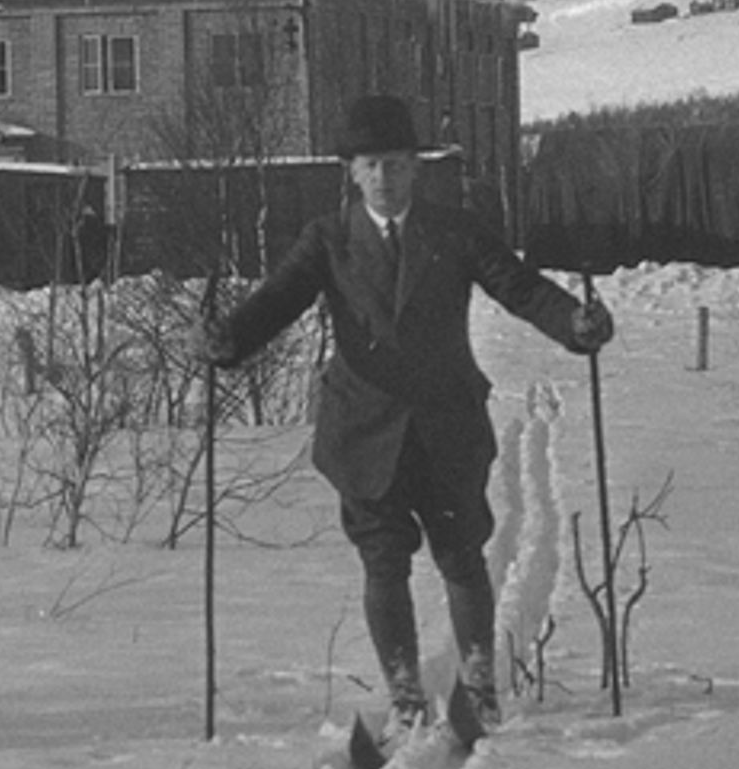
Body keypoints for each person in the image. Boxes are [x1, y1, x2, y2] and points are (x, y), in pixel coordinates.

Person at [204, 92, 612, 728]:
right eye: (371, 165)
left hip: (447, 427)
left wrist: (575, 324)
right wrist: (228, 339)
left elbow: (520, 288)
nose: (384, 178)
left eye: (396, 164)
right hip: (363, 434)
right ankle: (405, 695)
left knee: (461, 557)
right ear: (351, 172)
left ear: (416, 167)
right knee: (383, 563)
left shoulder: (456, 232)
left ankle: (479, 686)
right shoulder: (328, 240)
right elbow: (277, 301)